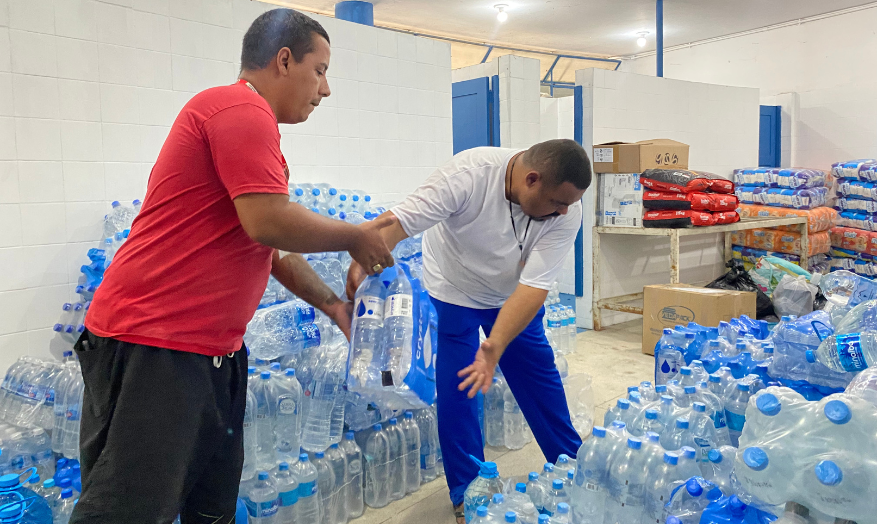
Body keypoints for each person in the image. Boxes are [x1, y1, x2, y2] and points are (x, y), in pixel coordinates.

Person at [74, 9, 394, 524]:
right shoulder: (237, 110)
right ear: (283, 61)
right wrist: (357, 236)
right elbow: (269, 221)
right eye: (321, 70)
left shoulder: (249, 125)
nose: (326, 89)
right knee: (127, 509)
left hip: (211, 354)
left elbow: (270, 250)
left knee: (210, 506)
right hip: (156, 345)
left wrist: (334, 304)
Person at [346, 139, 592, 523]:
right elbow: (401, 222)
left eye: (569, 204)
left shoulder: (567, 212)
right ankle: (468, 492)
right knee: (459, 389)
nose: (563, 211)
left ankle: (573, 467)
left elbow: (533, 287)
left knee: (539, 378)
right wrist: (366, 258)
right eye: (557, 202)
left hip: (512, 296)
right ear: (531, 179)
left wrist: (494, 347)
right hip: (453, 289)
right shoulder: (469, 174)